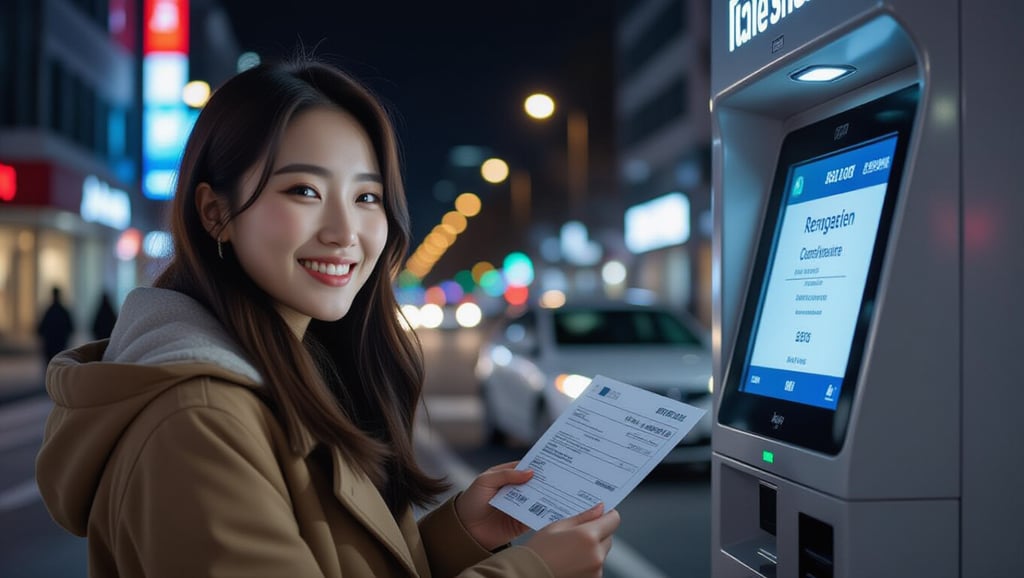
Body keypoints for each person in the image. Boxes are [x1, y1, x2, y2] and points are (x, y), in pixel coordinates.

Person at [36, 57, 619, 577]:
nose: (345, 234)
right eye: (304, 191)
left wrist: (464, 531)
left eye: (366, 197)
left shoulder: (295, 364)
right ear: (216, 212)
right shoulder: (200, 420)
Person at [36, 286, 73, 368]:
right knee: (58, 364)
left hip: (51, 343)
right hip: (59, 343)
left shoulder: (50, 311)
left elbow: (41, 328)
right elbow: (70, 327)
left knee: (51, 365)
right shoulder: (62, 311)